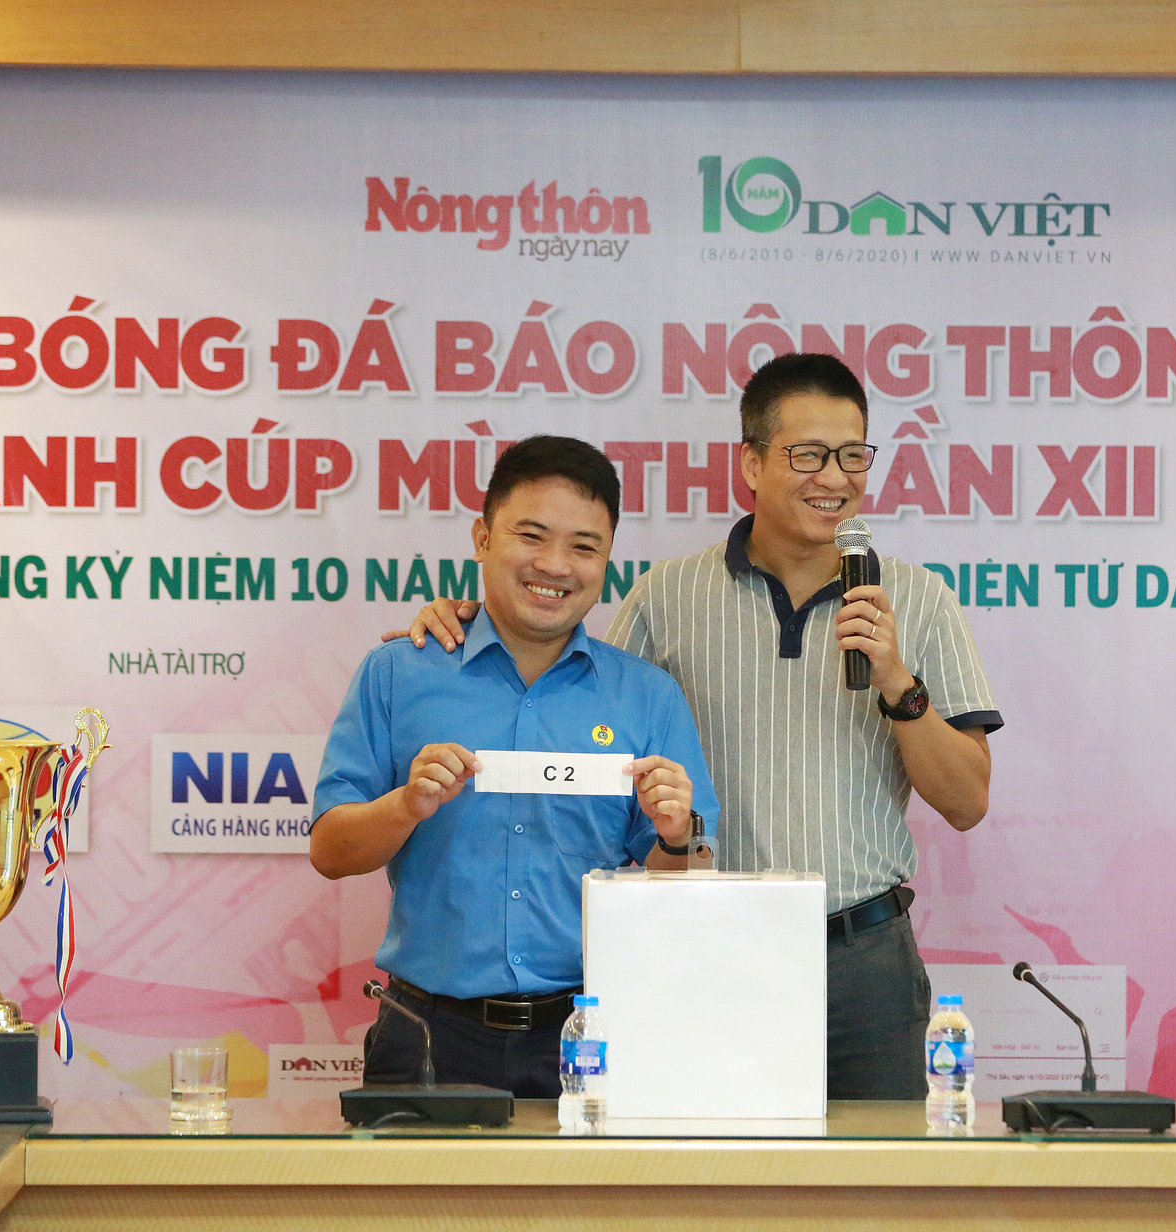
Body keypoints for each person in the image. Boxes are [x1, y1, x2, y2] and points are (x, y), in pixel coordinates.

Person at [390, 354, 1000, 1098]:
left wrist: (898, 683)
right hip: (700, 946)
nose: (833, 478)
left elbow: (967, 802)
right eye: (807, 454)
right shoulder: (667, 596)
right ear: (752, 463)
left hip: (861, 957)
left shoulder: (919, 599)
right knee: (707, 1164)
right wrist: (469, 625)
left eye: (852, 456)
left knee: (875, 1171)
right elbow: (578, 706)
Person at [312, 435, 719, 1098]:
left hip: (591, 1035)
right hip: (426, 1036)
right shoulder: (398, 673)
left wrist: (678, 837)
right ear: (482, 538)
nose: (554, 565)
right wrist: (406, 805)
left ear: (607, 562)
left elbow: (690, 880)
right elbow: (330, 852)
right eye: (531, 536)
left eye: (584, 547)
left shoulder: (647, 696)